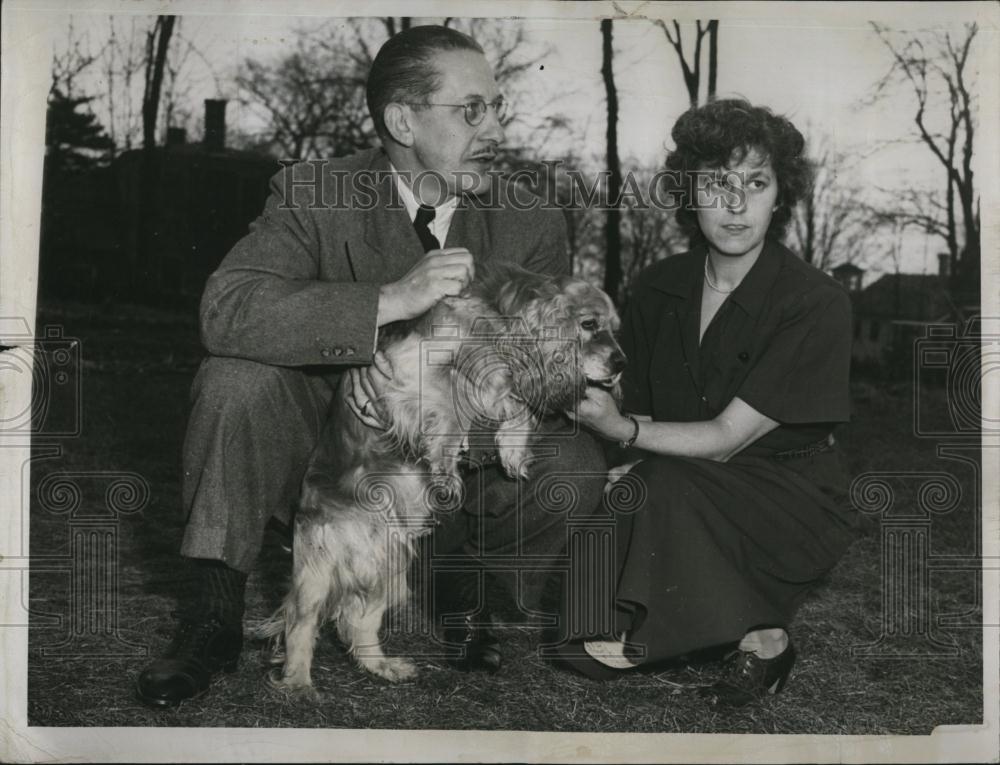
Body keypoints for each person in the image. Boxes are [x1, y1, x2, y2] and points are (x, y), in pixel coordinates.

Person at [135, 24, 606, 708]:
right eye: (472, 108)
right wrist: (384, 303)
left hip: (457, 460)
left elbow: (546, 369)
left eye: (498, 106)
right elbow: (228, 308)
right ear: (401, 119)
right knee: (233, 380)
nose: (496, 125)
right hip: (330, 460)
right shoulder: (313, 191)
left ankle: (464, 587)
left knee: (575, 460)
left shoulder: (529, 220)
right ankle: (212, 616)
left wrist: (434, 383)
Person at [555, 99, 858, 707]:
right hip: (682, 476)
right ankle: (701, 623)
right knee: (579, 651)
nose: (736, 203)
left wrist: (624, 431)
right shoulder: (659, 286)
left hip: (786, 495)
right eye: (715, 183)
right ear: (688, 194)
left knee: (659, 484)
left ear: (780, 196)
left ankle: (764, 639)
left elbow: (726, 437)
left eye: (755, 183)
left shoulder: (815, 301)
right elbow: (625, 387)